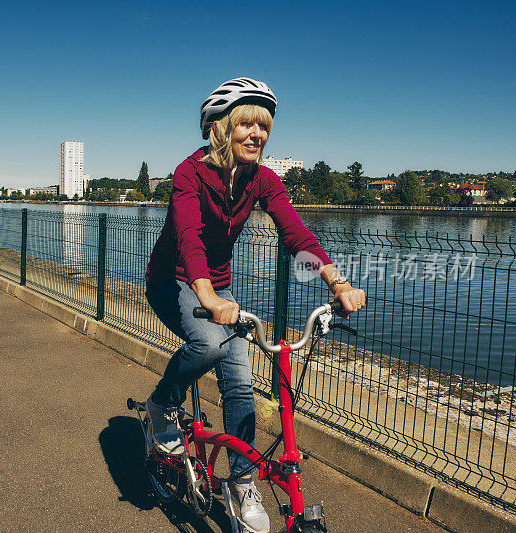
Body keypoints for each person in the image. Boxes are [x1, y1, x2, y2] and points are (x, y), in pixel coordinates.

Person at [143, 77, 366, 533]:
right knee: (208, 344)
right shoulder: (189, 173)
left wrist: (336, 279)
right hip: (174, 281)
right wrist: (205, 294)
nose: (258, 135)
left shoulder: (263, 179)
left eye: (264, 127)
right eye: (247, 124)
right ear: (220, 128)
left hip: (217, 290)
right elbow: (189, 237)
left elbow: (294, 233)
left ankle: (243, 483)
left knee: (240, 382)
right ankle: (161, 405)